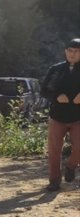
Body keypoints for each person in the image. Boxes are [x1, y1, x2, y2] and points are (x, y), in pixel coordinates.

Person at [39, 38, 80, 192]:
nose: (73, 54)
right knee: (54, 151)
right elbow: (44, 90)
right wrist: (56, 96)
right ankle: (54, 181)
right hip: (57, 116)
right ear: (65, 52)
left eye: (76, 51)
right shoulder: (55, 69)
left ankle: (71, 165)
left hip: (78, 117)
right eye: (70, 51)